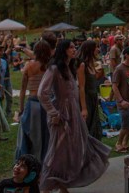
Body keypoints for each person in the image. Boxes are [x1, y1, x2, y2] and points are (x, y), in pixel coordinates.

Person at [38, 40, 109, 192]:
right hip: (62, 115)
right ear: (63, 50)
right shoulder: (54, 68)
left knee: (73, 148)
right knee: (57, 150)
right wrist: (53, 113)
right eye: (71, 47)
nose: (74, 49)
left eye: (74, 47)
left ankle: (63, 187)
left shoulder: (69, 67)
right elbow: (42, 93)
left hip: (73, 112)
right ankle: (46, 187)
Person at [16, 40, 51, 162]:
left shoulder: (29, 66)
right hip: (46, 103)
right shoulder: (50, 66)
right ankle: (44, 161)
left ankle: (29, 162)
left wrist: (21, 109)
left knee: (29, 134)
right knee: (45, 135)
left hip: (32, 102)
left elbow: (22, 90)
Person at [111, 47, 129, 153]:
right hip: (124, 102)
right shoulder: (119, 69)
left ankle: (125, 143)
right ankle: (118, 143)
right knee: (126, 125)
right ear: (126, 55)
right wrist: (121, 101)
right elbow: (114, 86)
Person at [77, 40, 104, 140]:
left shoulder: (92, 64)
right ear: (90, 50)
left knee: (95, 127)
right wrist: (84, 108)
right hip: (86, 99)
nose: (98, 49)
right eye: (96, 47)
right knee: (87, 127)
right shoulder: (82, 65)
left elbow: (93, 81)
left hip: (93, 98)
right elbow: (81, 87)